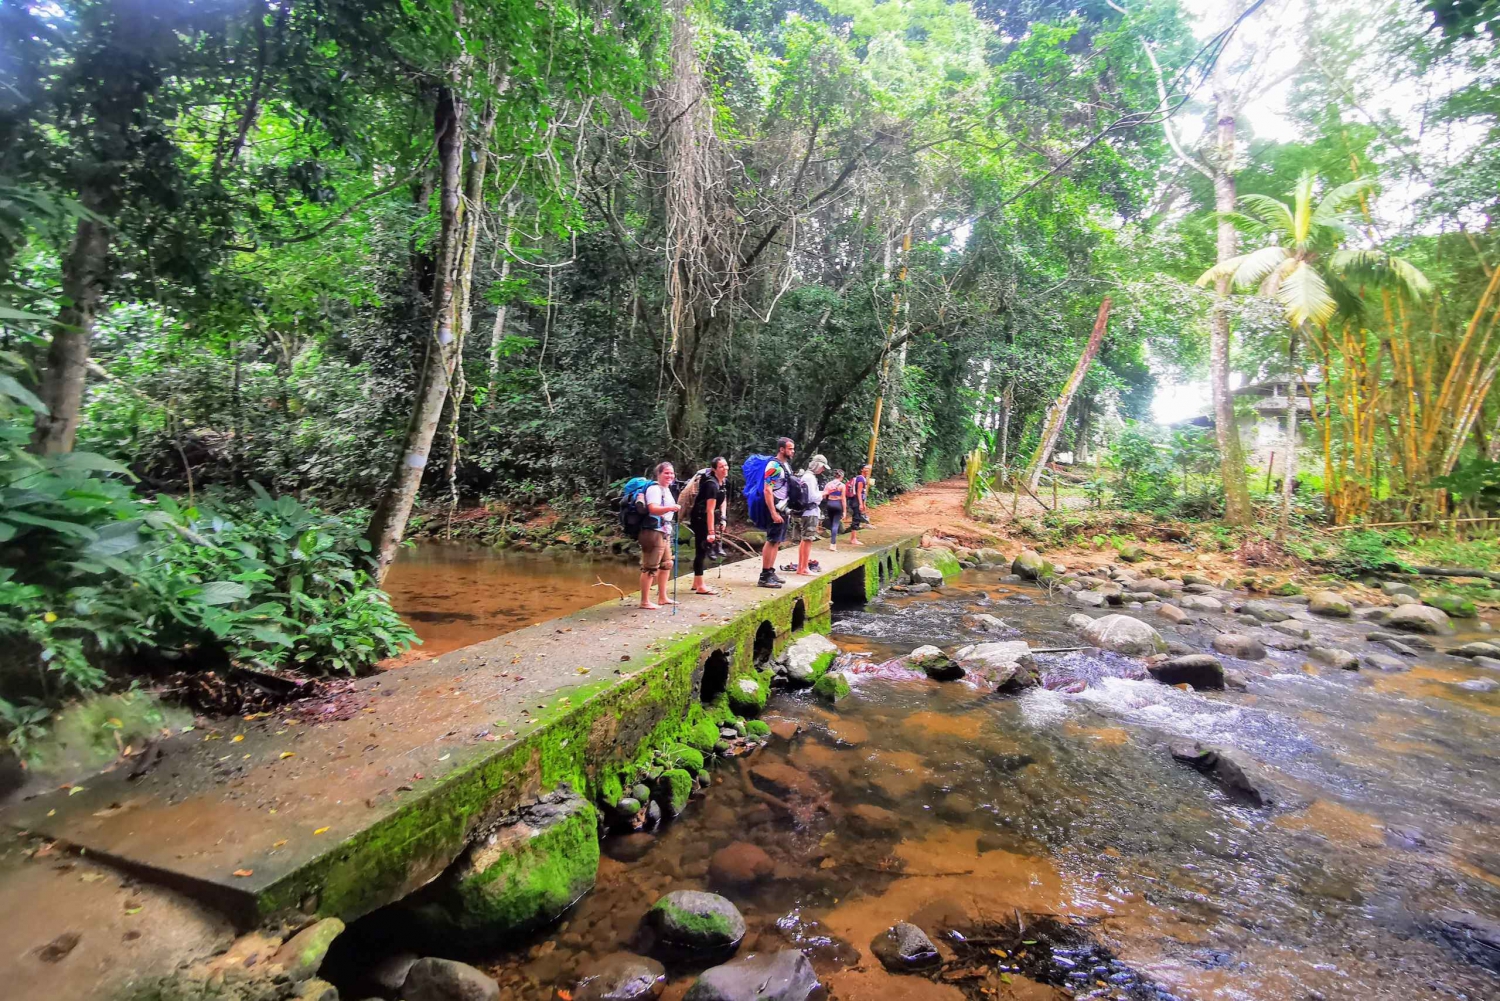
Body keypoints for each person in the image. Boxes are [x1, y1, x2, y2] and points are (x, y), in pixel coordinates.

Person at [638, 461, 679, 610]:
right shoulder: (655, 489)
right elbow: (653, 508)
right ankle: (644, 601)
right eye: (666, 473)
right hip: (653, 531)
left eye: (671, 473)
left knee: (667, 564)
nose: (670, 475)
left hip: (664, 531)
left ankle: (663, 597)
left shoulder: (666, 489)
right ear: (658, 474)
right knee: (650, 567)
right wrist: (671, 507)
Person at [758, 437, 796, 589]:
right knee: (772, 539)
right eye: (790, 448)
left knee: (777, 541)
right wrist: (773, 512)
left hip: (784, 507)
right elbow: (767, 490)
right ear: (782, 449)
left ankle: (771, 571)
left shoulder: (785, 465)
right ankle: (764, 575)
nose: (792, 451)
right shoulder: (774, 465)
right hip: (776, 508)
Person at [688, 456, 729, 595]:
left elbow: (723, 500)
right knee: (701, 550)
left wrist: (723, 518)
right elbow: (709, 509)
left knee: (703, 550)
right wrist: (711, 532)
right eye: (721, 467)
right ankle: (700, 586)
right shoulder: (711, 484)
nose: (725, 469)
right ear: (714, 469)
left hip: (708, 518)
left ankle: (696, 582)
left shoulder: (722, 481)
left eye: (726, 465)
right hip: (700, 518)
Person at [791, 454, 827, 575]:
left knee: (804, 539)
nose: (823, 470)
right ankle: (804, 568)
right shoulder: (810, 477)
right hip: (810, 512)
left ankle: (801, 567)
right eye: (822, 467)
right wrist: (825, 493)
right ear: (817, 465)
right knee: (808, 540)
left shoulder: (806, 476)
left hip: (806, 512)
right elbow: (812, 497)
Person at [822, 468, 847, 551]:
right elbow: (843, 499)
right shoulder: (842, 485)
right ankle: (833, 544)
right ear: (841, 477)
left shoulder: (828, 484)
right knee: (836, 524)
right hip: (838, 504)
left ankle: (832, 541)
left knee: (832, 523)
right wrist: (844, 511)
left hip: (830, 504)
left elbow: (824, 496)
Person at [848, 463, 872, 545]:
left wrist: (863, 503)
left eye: (868, 469)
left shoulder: (863, 479)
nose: (868, 470)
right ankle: (853, 539)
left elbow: (863, 493)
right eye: (866, 468)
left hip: (858, 500)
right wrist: (861, 504)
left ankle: (854, 537)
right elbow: (859, 492)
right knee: (856, 518)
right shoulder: (861, 479)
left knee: (857, 518)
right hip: (856, 501)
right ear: (862, 469)